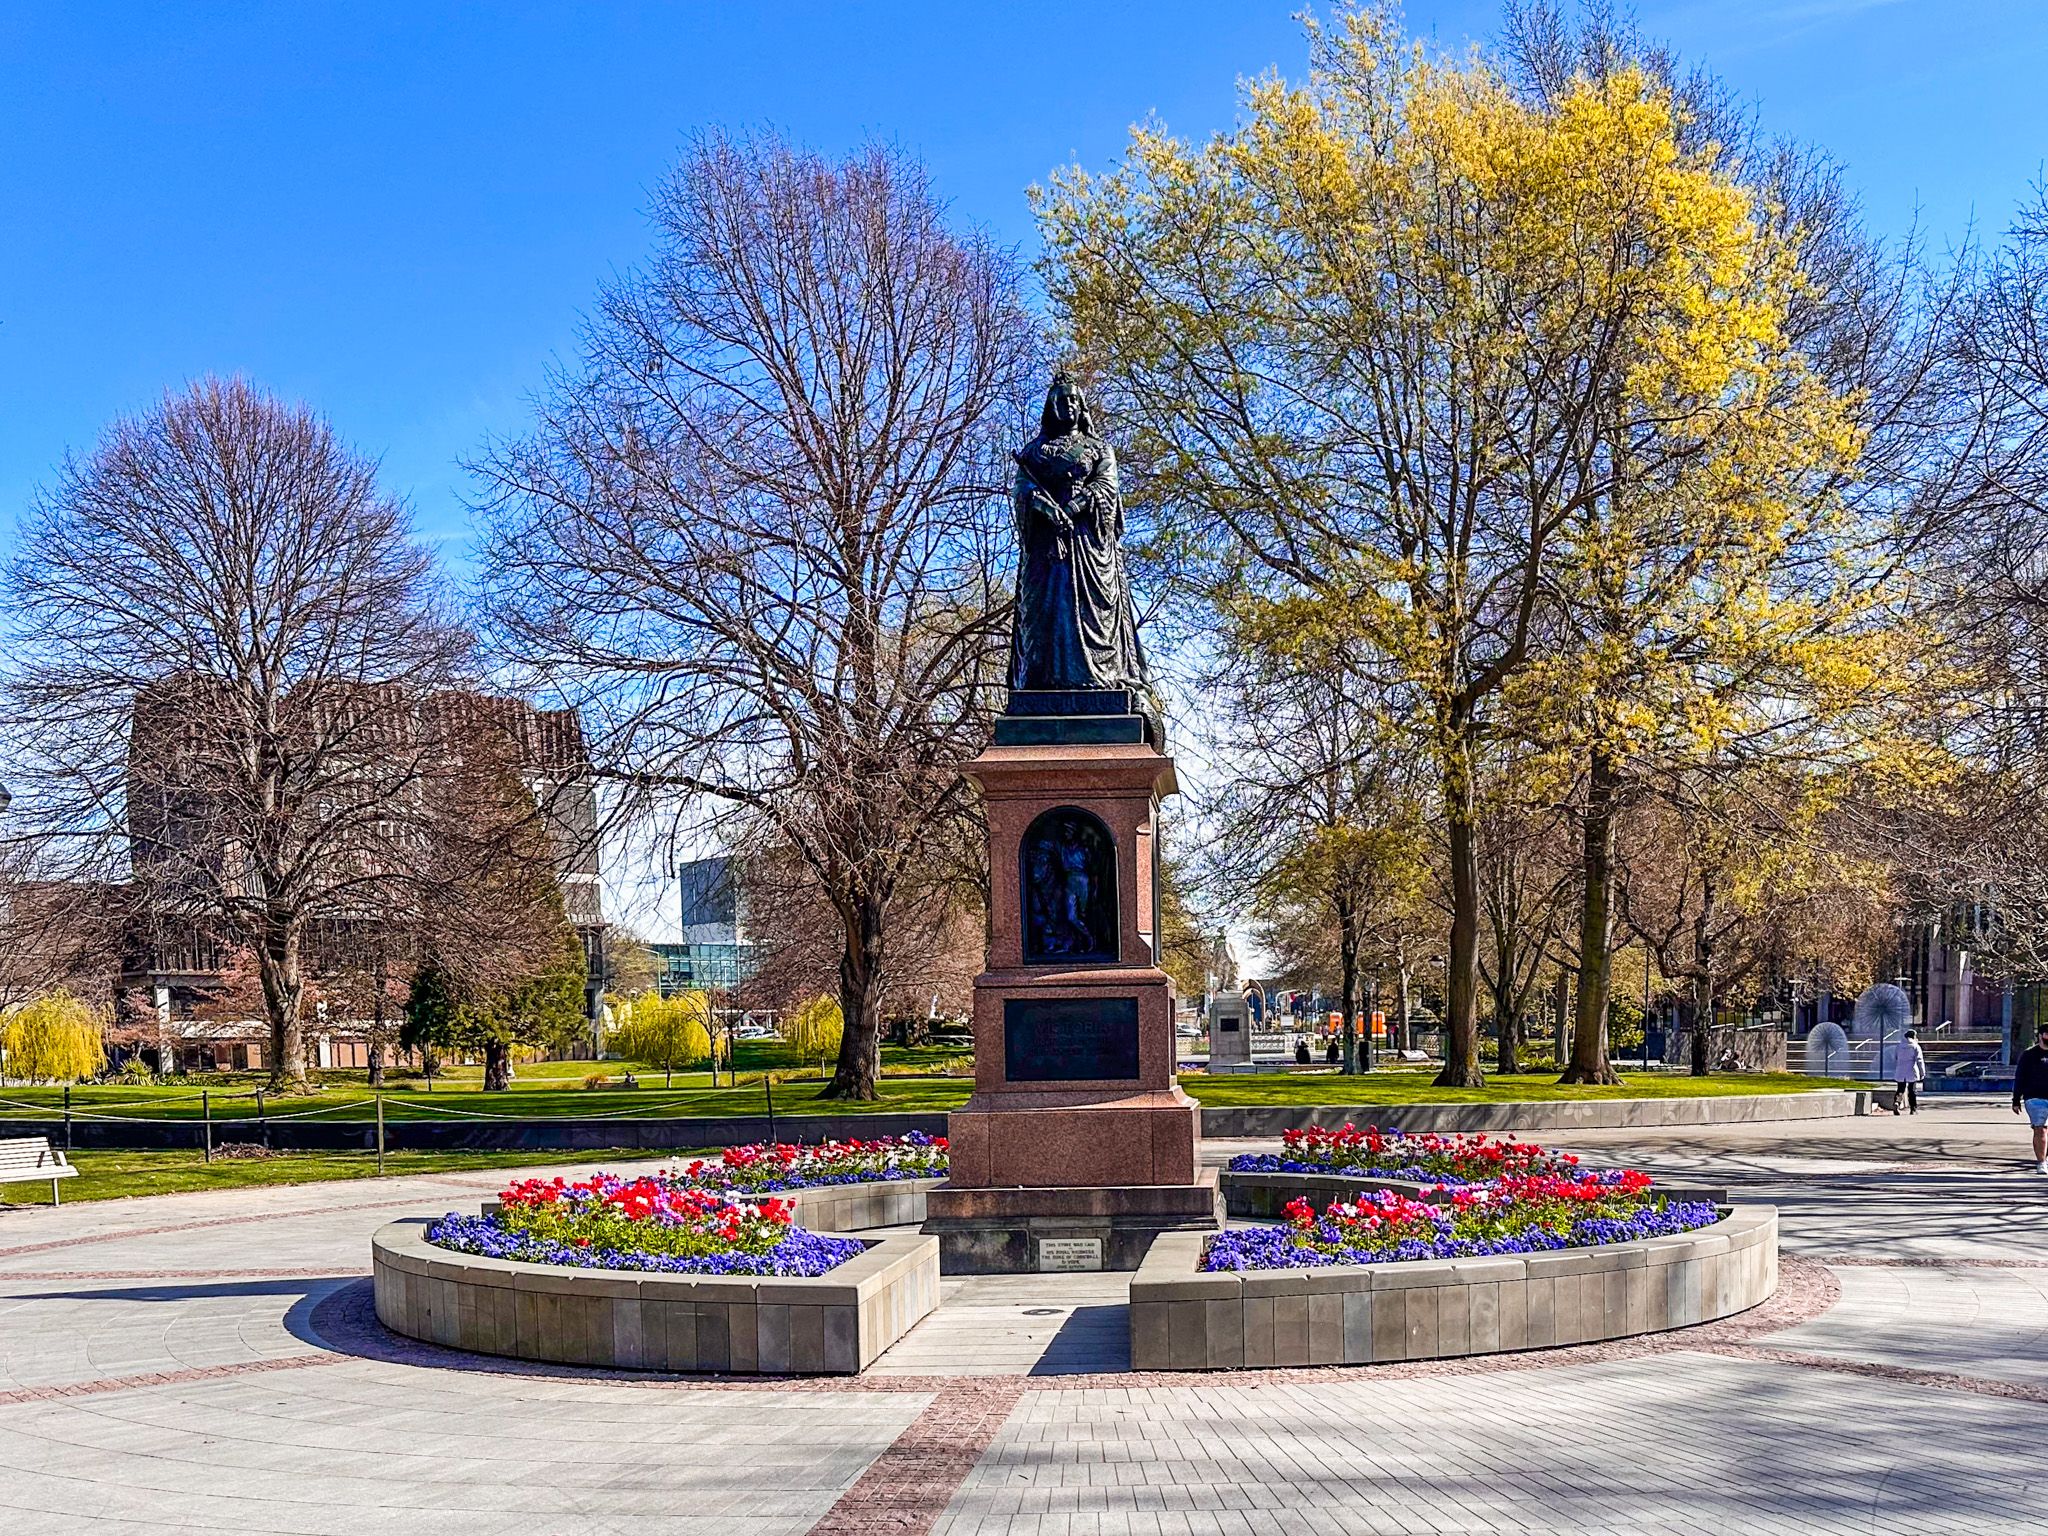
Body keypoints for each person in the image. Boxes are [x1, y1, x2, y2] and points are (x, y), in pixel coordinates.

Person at [2013, 1023, 2048, 1175]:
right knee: (2040, 1128)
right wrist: (2016, 1100)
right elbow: (2020, 1077)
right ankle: (2041, 1162)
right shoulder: (2029, 1055)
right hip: (2035, 1098)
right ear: (2040, 1035)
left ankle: (2044, 1157)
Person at [1892, 1028, 1926, 1116]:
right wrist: (1922, 1072)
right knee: (1912, 1090)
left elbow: (1895, 1057)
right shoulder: (1915, 1046)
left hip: (1900, 1070)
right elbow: (1919, 1060)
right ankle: (1913, 1109)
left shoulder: (1899, 1046)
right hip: (1911, 1070)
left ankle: (1897, 1102)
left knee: (1900, 1089)